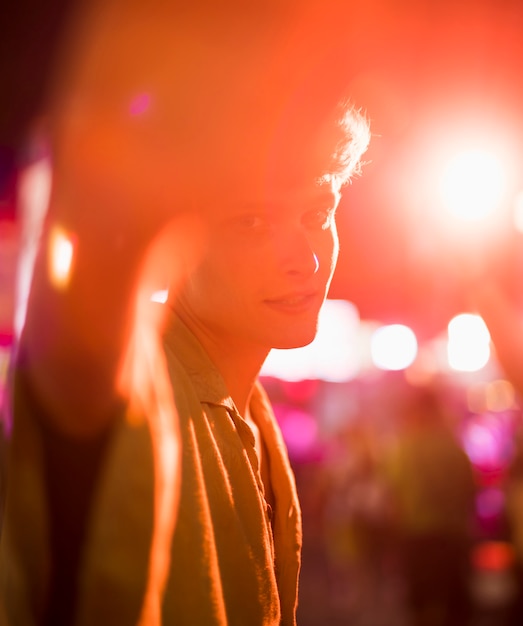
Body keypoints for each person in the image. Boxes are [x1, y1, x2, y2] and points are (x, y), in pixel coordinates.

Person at [0, 1, 371, 624]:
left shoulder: (249, 411)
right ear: (174, 232)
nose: (303, 259)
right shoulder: (138, 379)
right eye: (250, 221)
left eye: (318, 214)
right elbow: (75, 369)